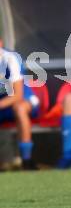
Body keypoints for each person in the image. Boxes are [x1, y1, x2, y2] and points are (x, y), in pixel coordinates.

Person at [0, 40, 40, 169]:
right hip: (3, 106)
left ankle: (27, 160)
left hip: (24, 100)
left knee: (20, 108)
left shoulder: (10, 58)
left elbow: (17, 95)